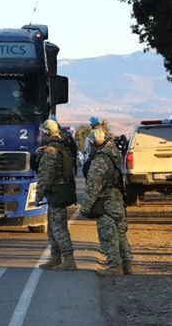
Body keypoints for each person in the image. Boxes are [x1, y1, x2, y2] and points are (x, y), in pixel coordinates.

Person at [81, 127, 134, 277]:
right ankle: (127, 264)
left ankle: (114, 267)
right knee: (120, 233)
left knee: (108, 234)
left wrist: (85, 208)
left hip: (105, 201)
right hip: (117, 199)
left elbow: (93, 187)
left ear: (92, 144)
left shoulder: (99, 160)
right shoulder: (113, 153)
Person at [34, 119, 77, 270]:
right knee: (53, 227)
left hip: (56, 193)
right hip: (60, 191)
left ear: (46, 133)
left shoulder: (50, 151)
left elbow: (45, 177)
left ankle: (68, 260)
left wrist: (37, 197)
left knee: (58, 228)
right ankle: (56, 257)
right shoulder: (62, 146)